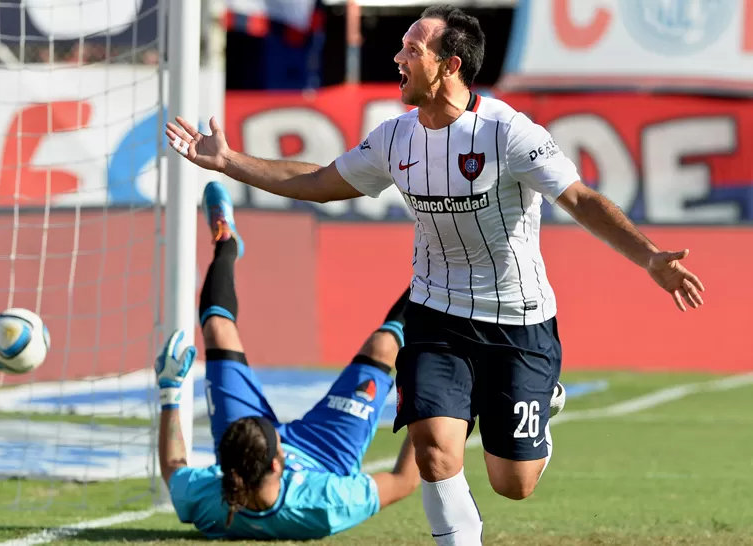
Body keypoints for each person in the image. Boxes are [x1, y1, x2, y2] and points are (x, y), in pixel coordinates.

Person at [164, 5, 705, 545]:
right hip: (435, 316)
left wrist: (649, 256)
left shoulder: (509, 133)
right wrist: (231, 161)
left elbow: (582, 199)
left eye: (411, 50)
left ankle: (544, 401)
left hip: (518, 322)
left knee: (513, 483)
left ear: (450, 65)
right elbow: (322, 180)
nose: (397, 57)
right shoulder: (395, 138)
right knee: (432, 447)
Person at [155, 181, 421, 540]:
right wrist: (431, 405)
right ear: (278, 461)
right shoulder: (326, 504)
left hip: (255, 453)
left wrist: (171, 392)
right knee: (384, 346)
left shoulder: (213, 498)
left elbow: (174, 470)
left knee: (218, 329)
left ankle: (226, 244)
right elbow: (403, 481)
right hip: (326, 454)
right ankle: (445, 262)